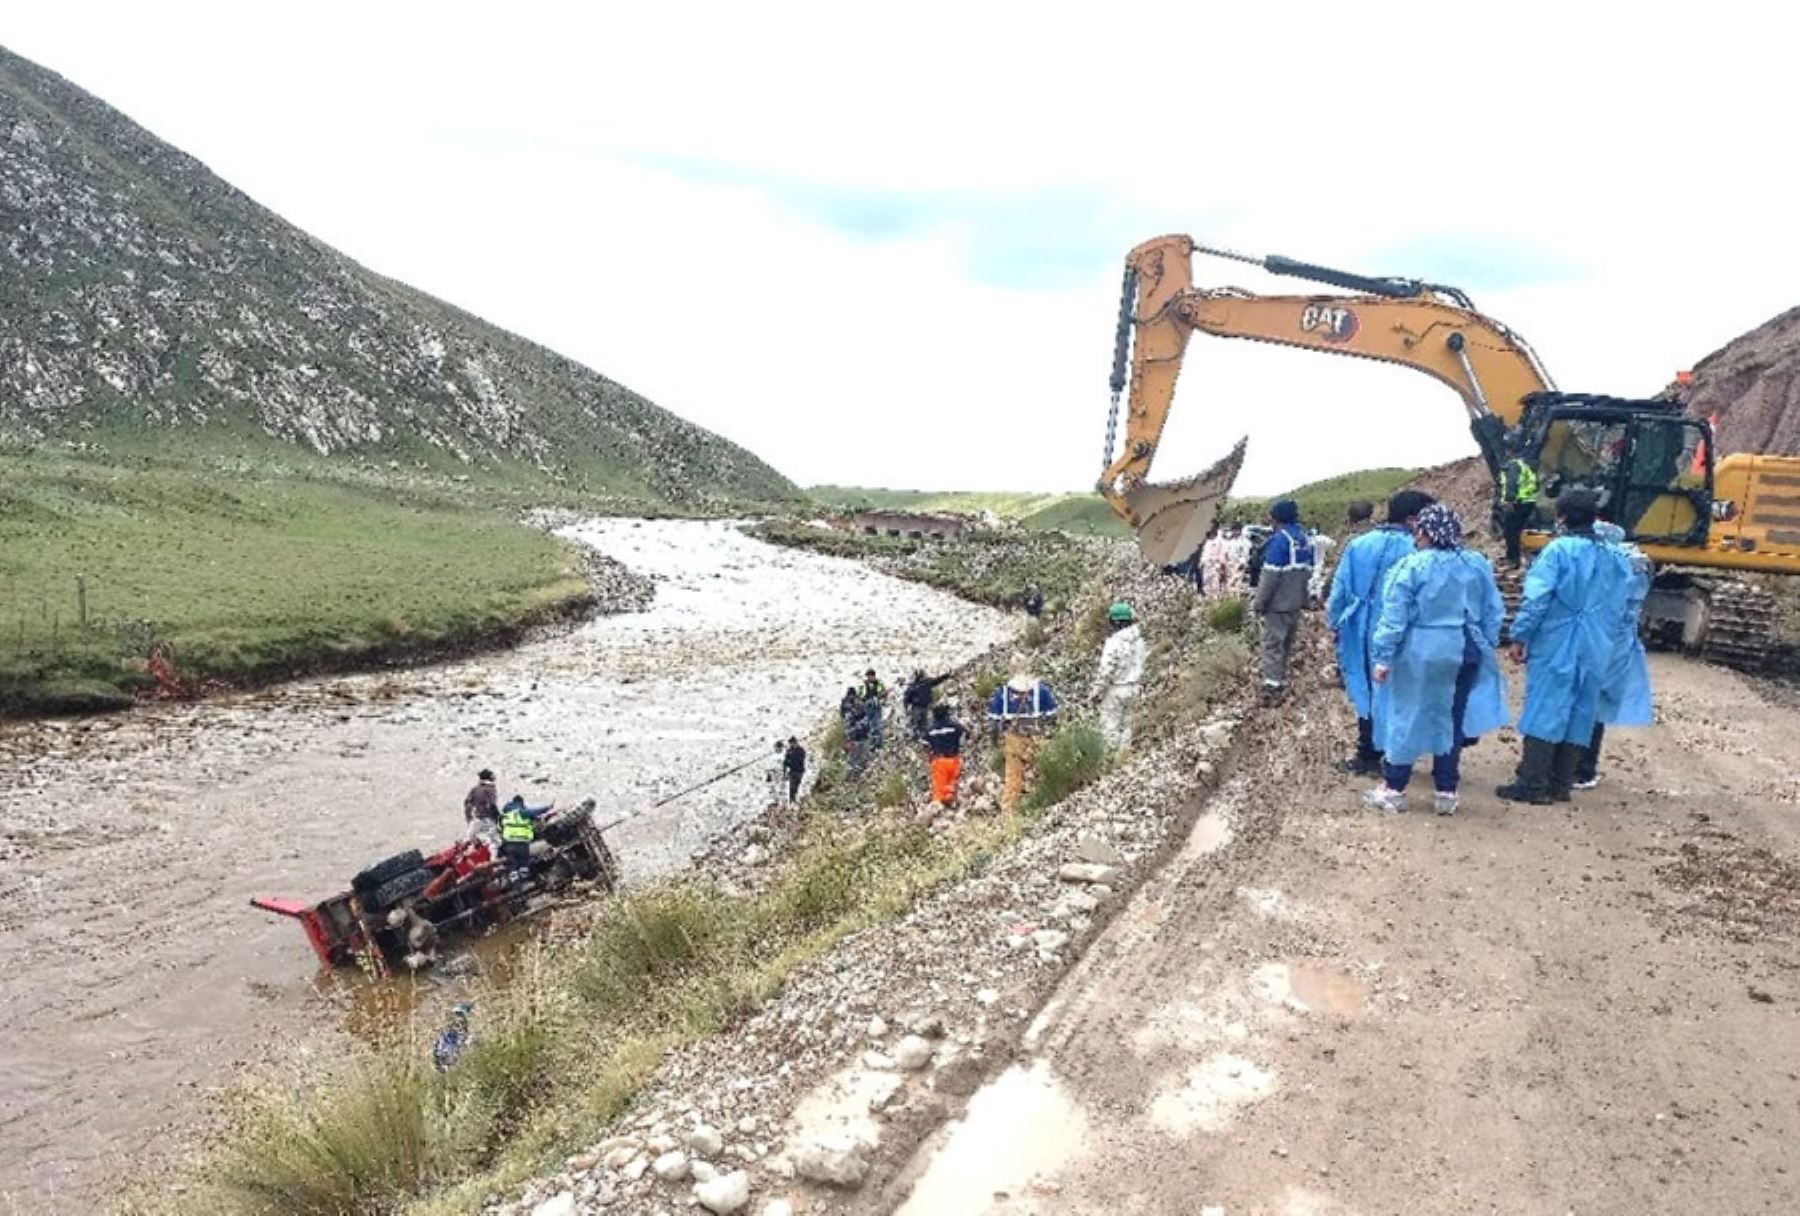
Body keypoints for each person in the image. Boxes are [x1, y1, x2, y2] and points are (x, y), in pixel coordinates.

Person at [1361, 504, 1508, 816]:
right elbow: (1493, 610)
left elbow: (1394, 616)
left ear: (1425, 532)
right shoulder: (1476, 563)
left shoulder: (1412, 567)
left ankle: (1394, 788)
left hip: (1421, 650)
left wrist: (1383, 657)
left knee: (1406, 715)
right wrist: (1487, 643)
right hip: (1465, 648)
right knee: (1452, 718)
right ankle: (1446, 790)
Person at [1497, 489, 1630, 804]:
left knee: (1546, 704)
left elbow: (1537, 599)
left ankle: (1532, 782)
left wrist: (1520, 635)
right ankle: (1561, 783)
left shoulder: (1558, 551)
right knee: (1581, 708)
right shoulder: (1615, 556)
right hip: (1597, 640)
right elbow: (1623, 603)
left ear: (1563, 518)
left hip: (1559, 637)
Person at [1326, 490, 1435, 776]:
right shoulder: (1419, 552)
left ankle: (1367, 754)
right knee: (1401, 691)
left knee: (1365, 687)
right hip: (1405, 631)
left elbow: (1339, 591)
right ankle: (1396, 754)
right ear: (1413, 519)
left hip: (1360, 629)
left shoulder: (1359, 545)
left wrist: (1335, 624)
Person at [1574, 521, 1653, 789]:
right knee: (1595, 706)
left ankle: (1577, 767)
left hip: (1598, 641)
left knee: (1582, 703)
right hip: (1616, 644)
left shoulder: (1609, 563)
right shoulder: (1634, 562)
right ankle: (1583, 767)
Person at [1252, 500, 1316, 699]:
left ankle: (1272, 688)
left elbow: (1269, 577)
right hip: (1295, 603)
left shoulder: (1279, 541)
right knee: (1287, 643)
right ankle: (1281, 678)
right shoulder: (1303, 539)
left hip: (1278, 604)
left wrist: (1259, 603)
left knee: (1273, 646)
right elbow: (1308, 572)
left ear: (1276, 518)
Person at [987, 673, 1060, 812]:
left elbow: (994, 724)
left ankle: (1009, 812)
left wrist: (994, 742)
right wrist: (1051, 736)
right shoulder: (1042, 691)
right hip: (1037, 738)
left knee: (1013, 777)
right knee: (1040, 772)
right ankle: (1042, 806)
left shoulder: (1002, 693)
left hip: (1014, 739)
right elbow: (1052, 717)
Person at [1093, 601, 1146, 750]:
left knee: (1109, 726)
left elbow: (1106, 670)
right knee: (1128, 726)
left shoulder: (1114, 642)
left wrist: (1096, 692)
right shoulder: (1140, 640)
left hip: (1115, 689)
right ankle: (1124, 758)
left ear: (1114, 621)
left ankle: (1111, 761)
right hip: (1135, 687)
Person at [1497, 443, 1539, 569]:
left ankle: (1513, 559)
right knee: (1519, 531)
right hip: (1528, 502)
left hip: (1518, 503)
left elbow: (1511, 484)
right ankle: (1520, 557)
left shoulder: (1513, 466)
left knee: (1510, 531)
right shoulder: (1525, 465)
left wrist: (1510, 501)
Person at [924, 704, 968, 808]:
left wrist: (929, 758)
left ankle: (938, 813)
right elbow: (967, 735)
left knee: (939, 789)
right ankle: (951, 808)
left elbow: (925, 746)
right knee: (952, 784)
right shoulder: (954, 726)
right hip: (954, 760)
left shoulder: (930, 729)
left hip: (939, 761)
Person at [497, 794, 554, 872]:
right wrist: (547, 808)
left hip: (508, 844)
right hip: (520, 843)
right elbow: (534, 812)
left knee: (513, 866)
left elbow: (500, 829)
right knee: (524, 865)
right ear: (521, 803)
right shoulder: (519, 812)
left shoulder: (505, 815)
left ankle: (513, 877)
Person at [903, 668, 954, 739]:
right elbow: (907, 697)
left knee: (924, 724)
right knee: (918, 724)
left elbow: (938, 680)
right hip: (918, 707)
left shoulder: (925, 683)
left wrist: (946, 675)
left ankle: (924, 738)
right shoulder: (915, 685)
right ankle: (918, 737)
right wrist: (906, 707)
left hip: (923, 707)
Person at [433, 1003, 473, 1071]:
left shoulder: (441, 1052)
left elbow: (447, 1041)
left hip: (452, 1039)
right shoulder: (444, 1053)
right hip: (453, 1040)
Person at [860, 668, 889, 748]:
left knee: (877, 725)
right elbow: (862, 695)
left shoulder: (878, 684)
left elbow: (883, 693)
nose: (868, 678)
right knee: (868, 725)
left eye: (869, 676)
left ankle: (878, 744)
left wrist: (880, 699)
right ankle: (871, 743)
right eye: (867, 676)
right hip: (867, 706)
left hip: (876, 707)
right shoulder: (864, 684)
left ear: (873, 676)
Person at [845, 705, 873, 778]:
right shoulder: (850, 717)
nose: (857, 711)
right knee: (853, 758)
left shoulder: (864, 716)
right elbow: (848, 730)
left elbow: (868, 727)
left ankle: (859, 772)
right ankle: (851, 775)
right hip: (855, 741)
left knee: (863, 757)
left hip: (863, 739)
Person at [782, 735, 807, 804]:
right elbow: (785, 763)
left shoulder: (801, 750)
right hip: (792, 772)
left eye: (792, 743)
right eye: (790, 744)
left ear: (795, 742)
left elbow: (800, 760)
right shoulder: (789, 751)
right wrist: (784, 773)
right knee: (791, 787)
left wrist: (791, 758)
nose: (791, 745)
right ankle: (791, 801)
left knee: (796, 786)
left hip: (799, 771)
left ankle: (794, 800)